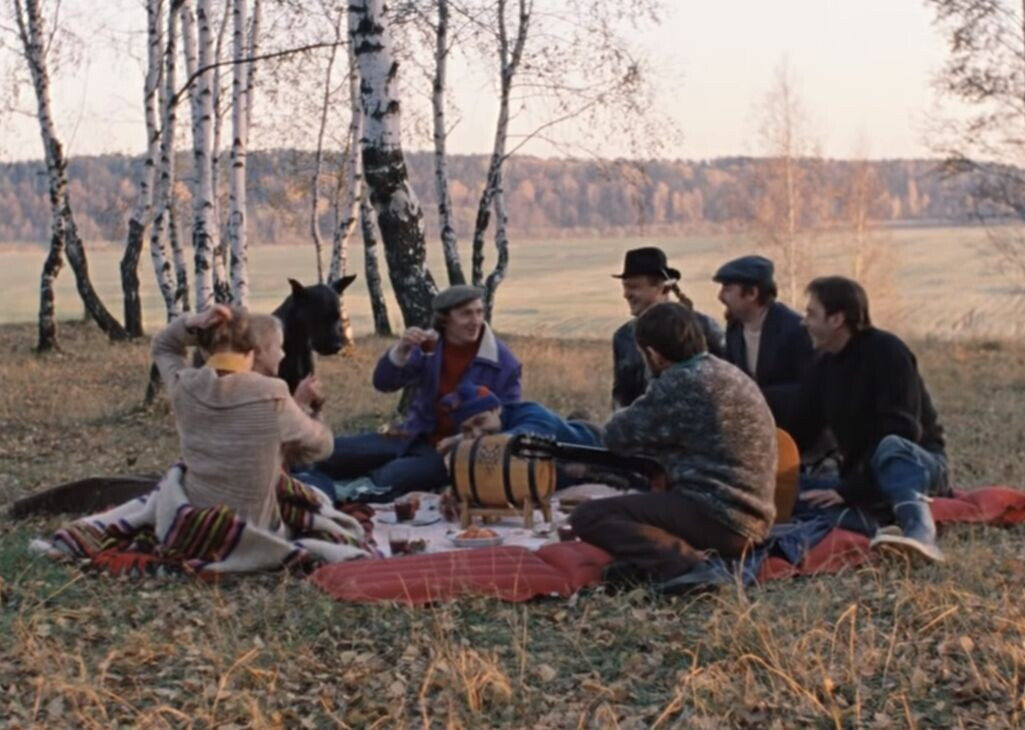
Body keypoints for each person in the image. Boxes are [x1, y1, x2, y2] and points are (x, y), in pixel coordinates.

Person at [35, 306, 369, 572]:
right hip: (256, 528)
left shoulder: (184, 385)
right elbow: (322, 446)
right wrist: (309, 411)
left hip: (188, 527)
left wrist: (193, 324)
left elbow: (163, 345)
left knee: (176, 477)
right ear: (253, 350)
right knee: (314, 493)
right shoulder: (273, 394)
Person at [572, 302, 778, 593]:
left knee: (588, 516)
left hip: (723, 518)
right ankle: (654, 563)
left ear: (653, 354)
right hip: (753, 516)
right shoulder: (725, 372)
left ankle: (686, 565)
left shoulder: (680, 382)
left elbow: (617, 437)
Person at [311, 285, 523, 500]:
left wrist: (460, 440)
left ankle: (341, 494)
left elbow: (507, 420)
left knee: (390, 477)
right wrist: (401, 351)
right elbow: (383, 383)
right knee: (327, 452)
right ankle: (303, 484)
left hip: (453, 451)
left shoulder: (502, 362)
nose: (475, 321)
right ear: (445, 320)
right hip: (412, 435)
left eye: (479, 312)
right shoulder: (430, 346)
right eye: (466, 314)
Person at [791, 276, 949, 562]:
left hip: (918, 465)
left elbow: (904, 429)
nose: (804, 322)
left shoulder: (887, 351)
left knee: (891, 446)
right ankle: (880, 527)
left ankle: (920, 535)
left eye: (811, 313)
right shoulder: (823, 366)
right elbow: (802, 430)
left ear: (837, 318)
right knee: (795, 491)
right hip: (859, 480)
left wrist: (850, 489)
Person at [612, 246, 725, 409]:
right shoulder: (623, 337)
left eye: (634, 287)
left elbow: (727, 380)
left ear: (662, 288)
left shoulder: (702, 327)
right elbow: (621, 396)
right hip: (644, 430)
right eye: (625, 287)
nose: (626, 294)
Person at [713, 255, 815, 430]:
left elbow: (808, 389)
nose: (720, 296)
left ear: (752, 293)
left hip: (792, 432)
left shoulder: (794, 330)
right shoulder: (735, 329)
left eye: (728, 289)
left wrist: (758, 395)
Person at [434, 383, 603, 454]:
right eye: (467, 430)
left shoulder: (533, 414)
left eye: (480, 421)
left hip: (596, 445)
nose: (477, 433)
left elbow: (519, 441)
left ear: (496, 409)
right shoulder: (486, 432)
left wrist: (459, 442)